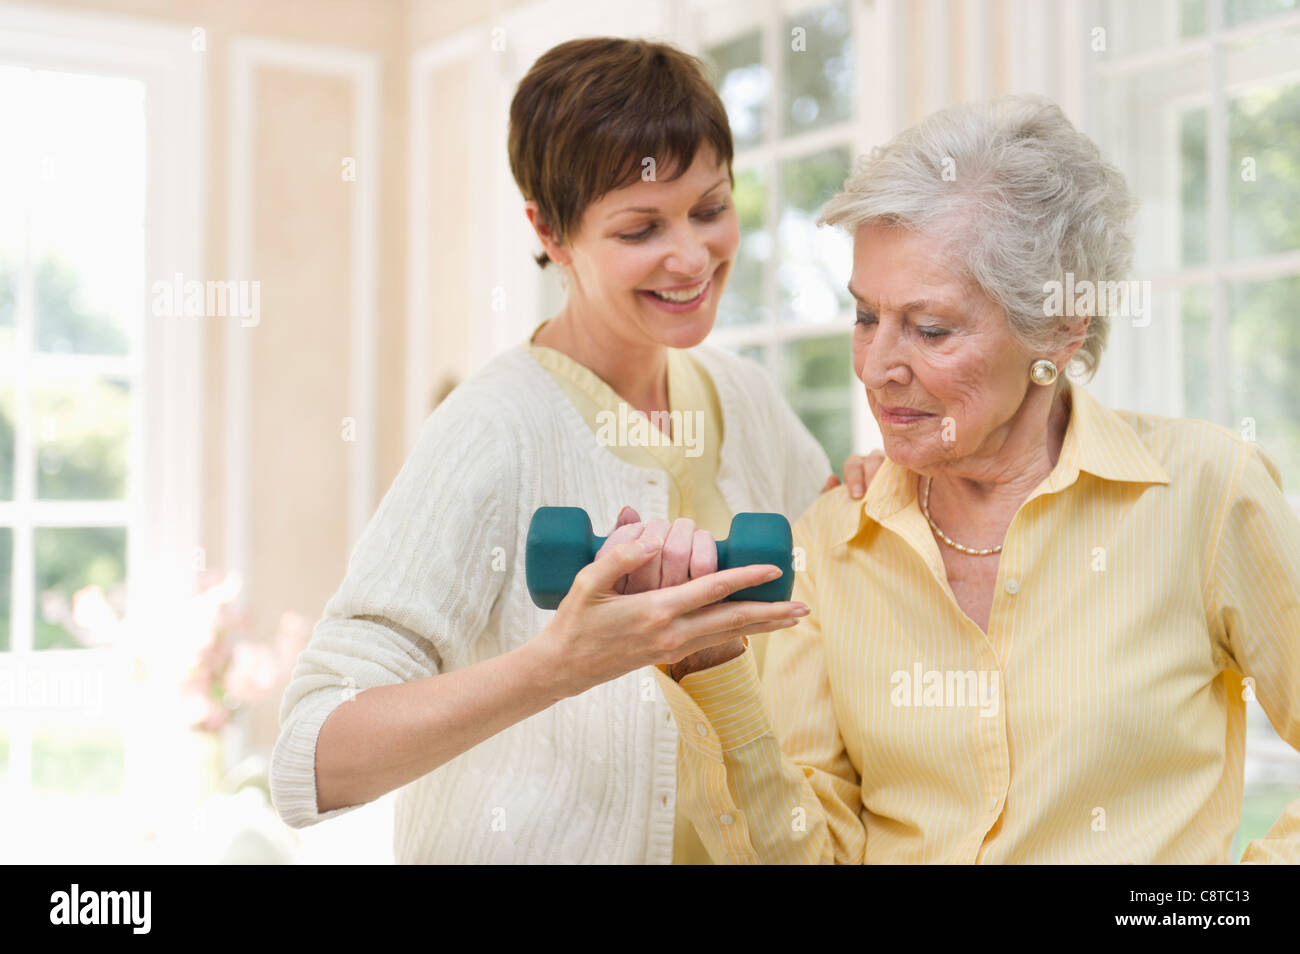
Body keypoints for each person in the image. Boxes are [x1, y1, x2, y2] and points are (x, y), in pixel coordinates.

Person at [632, 93, 1300, 863]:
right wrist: (709, 668)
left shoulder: (1206, 493)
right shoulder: (831, 543)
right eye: (865, 317)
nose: (878, 367)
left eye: (931, 329)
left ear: (1057, 329)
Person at [268, 36, 879, 864]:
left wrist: (874, 488)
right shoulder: (495, 427)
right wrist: (558, 664)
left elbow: (837, 587)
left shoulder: (743, 396)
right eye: (640, 229)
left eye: (709, 208)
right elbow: (312, 757)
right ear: (551, 233)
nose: (692, 256)